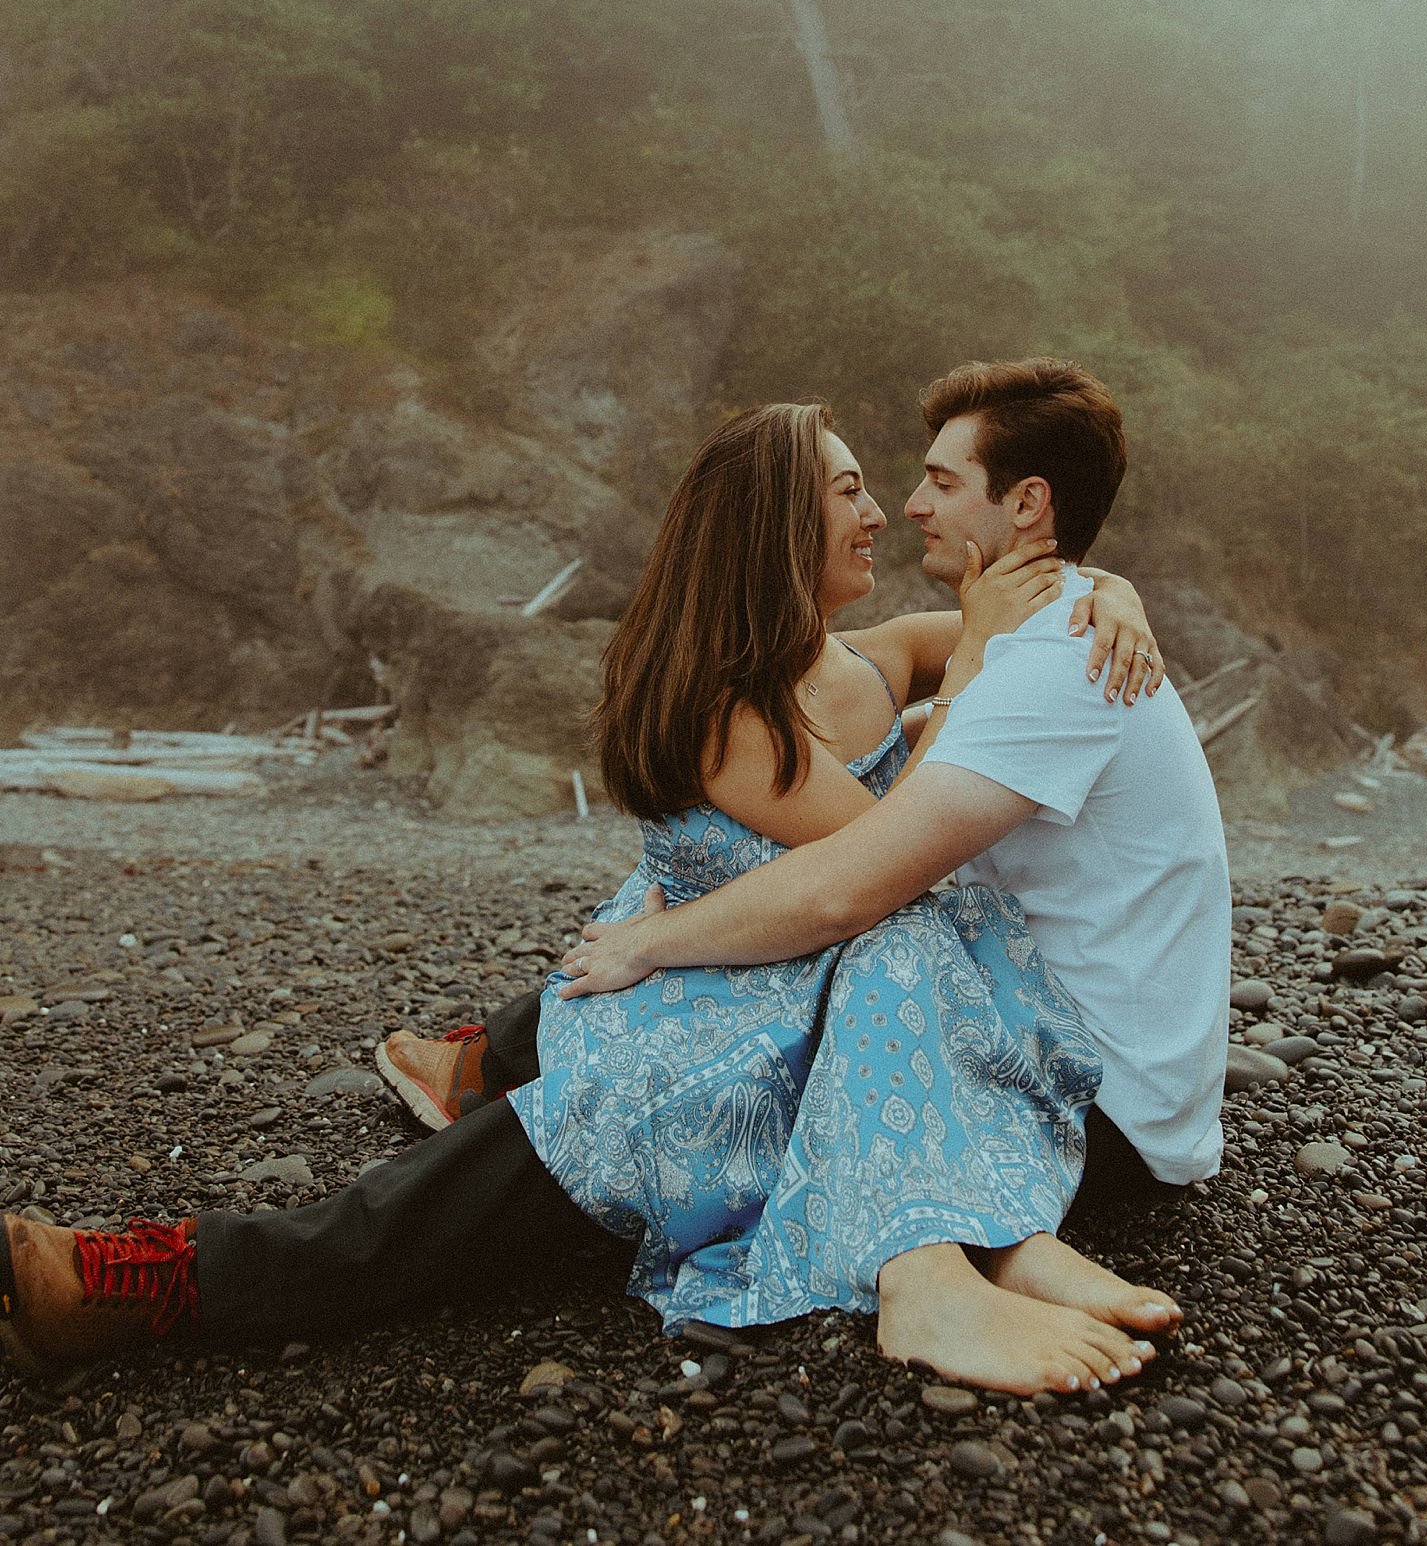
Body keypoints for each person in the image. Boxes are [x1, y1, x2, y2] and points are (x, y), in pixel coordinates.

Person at [1, 396, 1169, 1396]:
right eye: (853, 493)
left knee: (611, 1041)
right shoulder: (736, 709)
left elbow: (1019, 594)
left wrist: (1108, 590)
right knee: (555, 1142)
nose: (880, 515)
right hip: (750, 989)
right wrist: (966, 679)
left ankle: (472, 1064)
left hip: (789, 987)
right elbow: (880, 860)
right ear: (774, 526)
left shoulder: (863, 657)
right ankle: (157, 1276)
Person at [559, 361, 1233, 1249]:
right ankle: (500, 1075)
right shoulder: (1029, 642)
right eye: (863, 489)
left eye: (942, 483)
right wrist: (1098, 589)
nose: (905, 506)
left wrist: (650, 941)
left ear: (1025, 505)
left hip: (1078, 1090)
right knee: (704, 1027)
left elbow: (851, 884)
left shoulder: (1051, 659)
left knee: (699, 1093)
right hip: (1023, 1023)